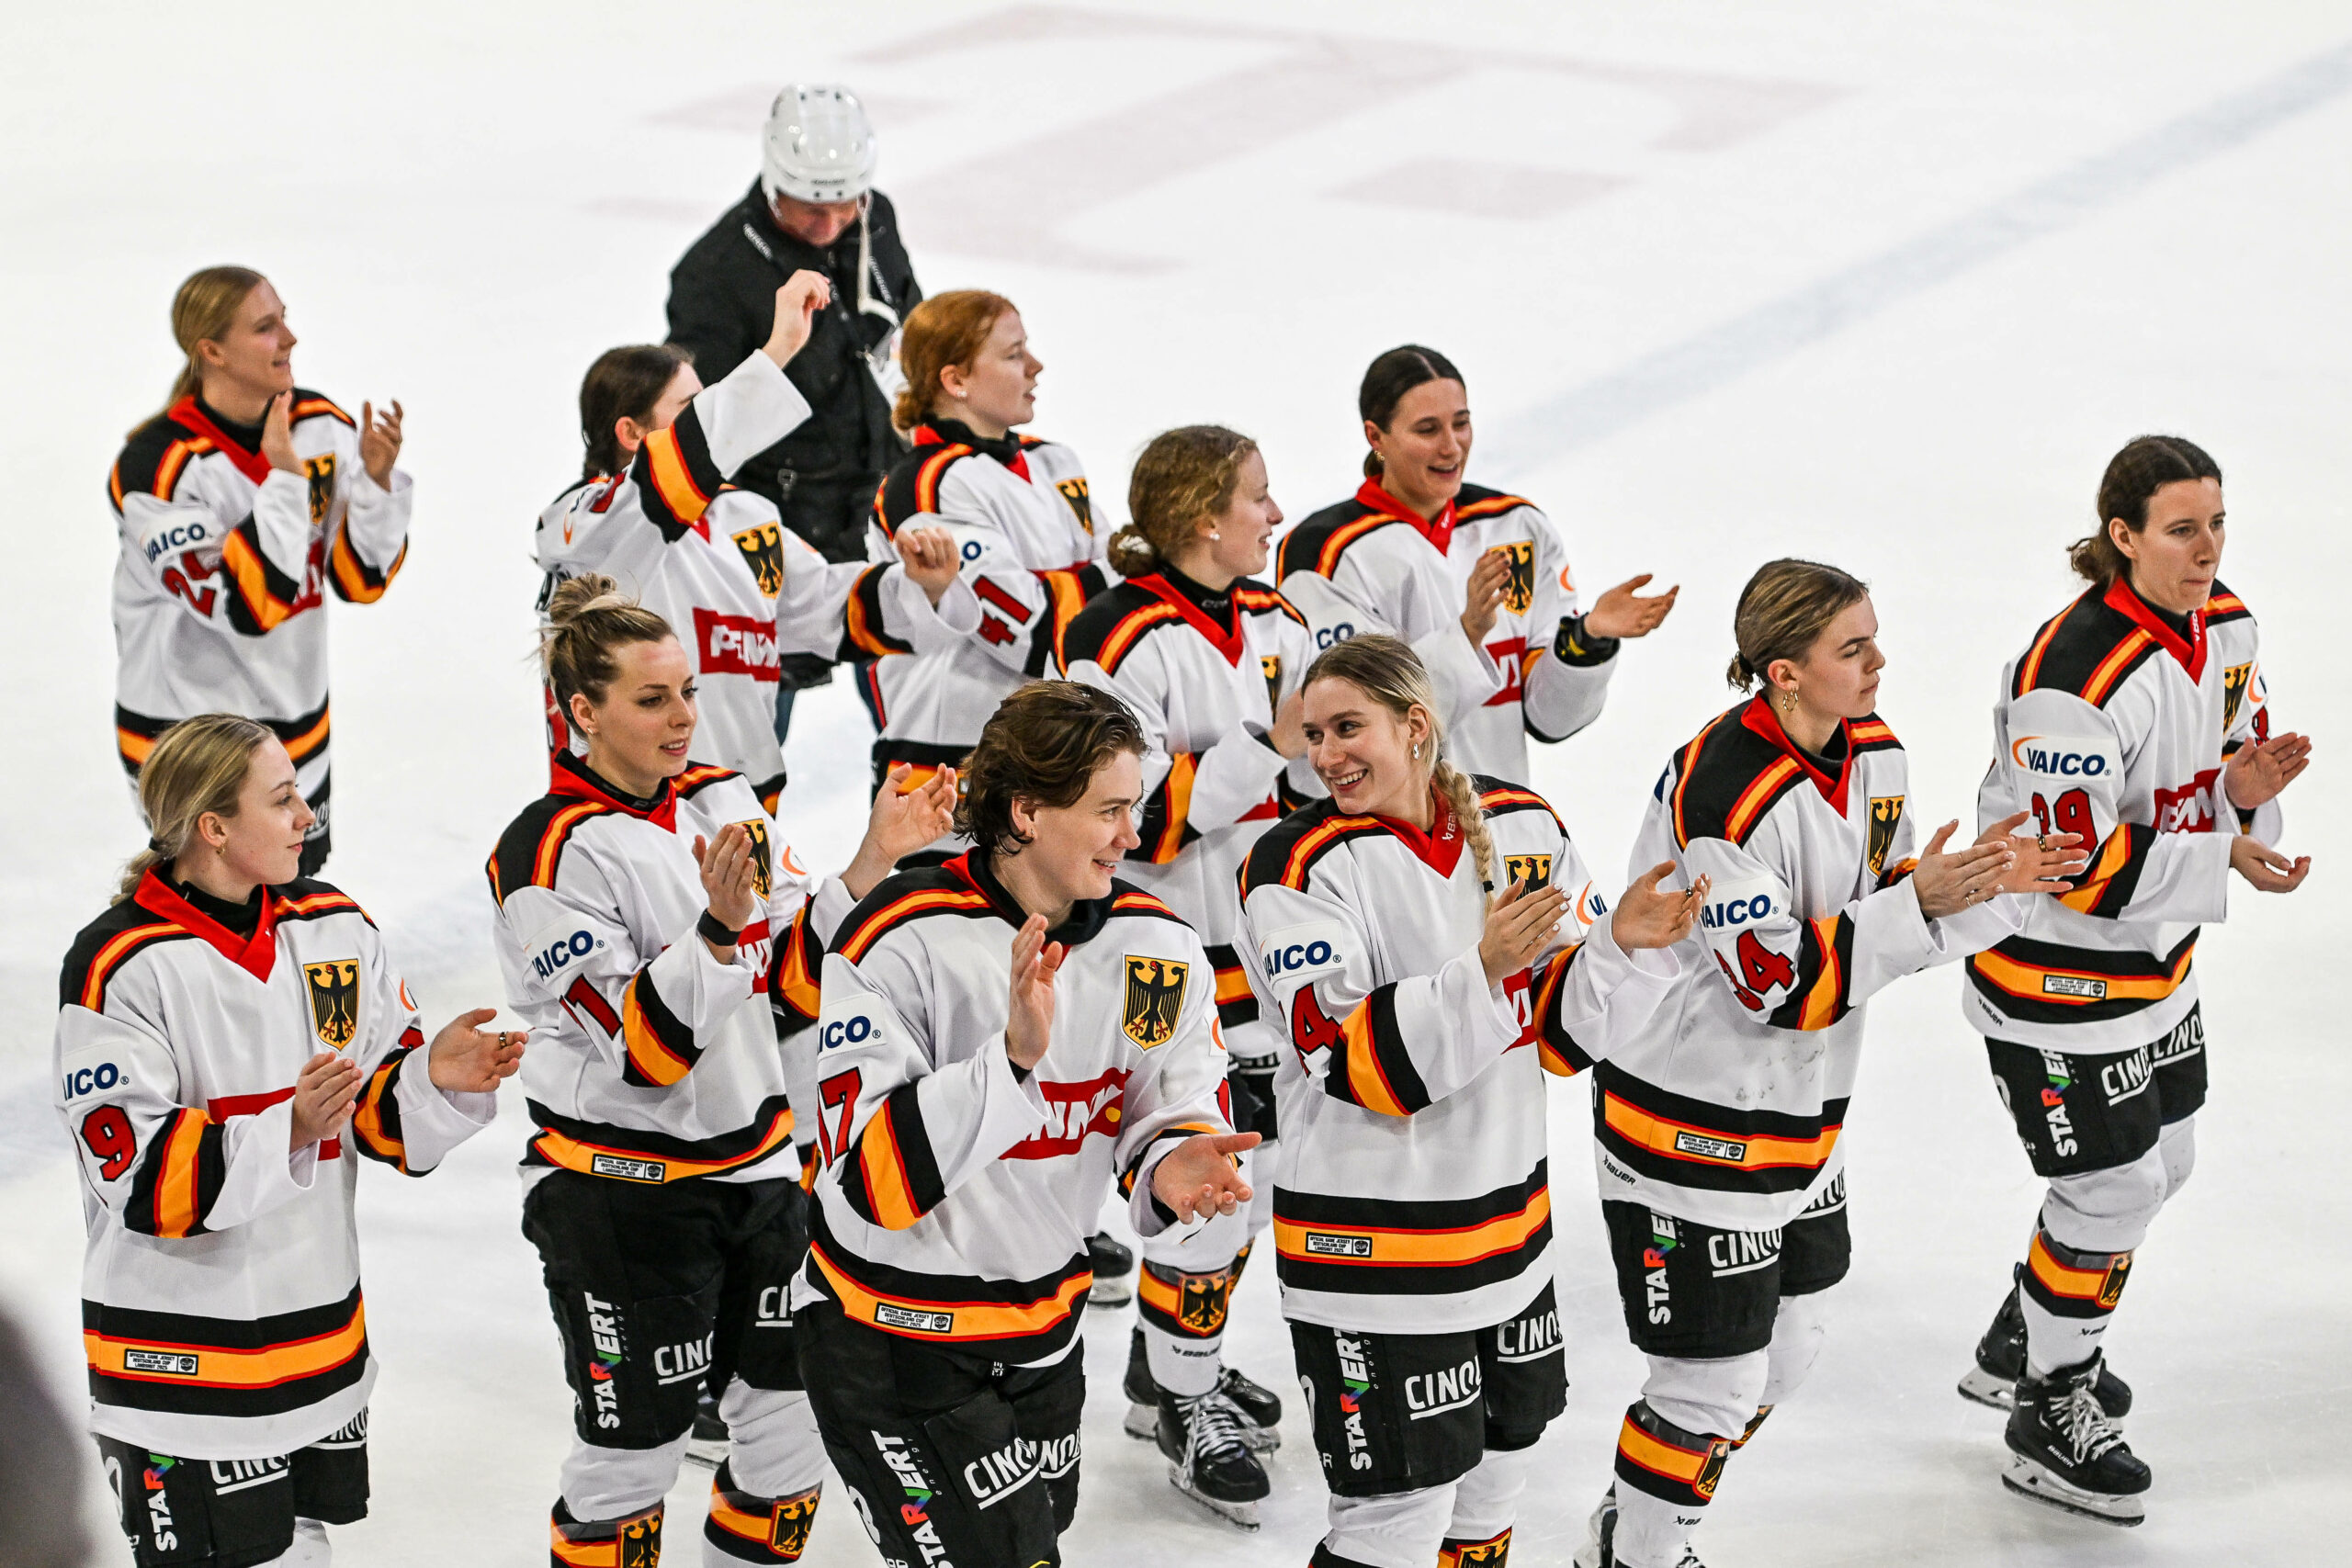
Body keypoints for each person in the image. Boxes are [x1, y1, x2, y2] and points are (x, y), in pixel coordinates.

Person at [1567, 560, 2086, 1568]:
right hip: (1687, 1118)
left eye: (1872, 638)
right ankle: (1637, 1553)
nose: (1879, 662)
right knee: (1706, 1386)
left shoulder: (1874, 754)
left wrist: (1982, 886)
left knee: (1788, 1350)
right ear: (1781, 673)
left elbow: (1885, 921)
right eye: (1852, 649)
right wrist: (1921, 903)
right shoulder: (1724, 795)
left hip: (1802, 1112)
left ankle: (1636, 1519)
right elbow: (1786, 986)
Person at [490, 577, 955, 1567]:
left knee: (790, 1440)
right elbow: (647, 1053)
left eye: (689, 692)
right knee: (633, 1459)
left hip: (758, 1175)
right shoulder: (543, 857)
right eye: (652, 699)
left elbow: (796, 979)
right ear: (583, 713)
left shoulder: (718, 794)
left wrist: (874, 857)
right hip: (621, 1199)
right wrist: (716, 929)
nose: (683, 717)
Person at [1238, 635, 1701, 1568]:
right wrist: (1483, 972)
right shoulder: (1291, 867)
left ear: (1415, 728)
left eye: (1348, 728)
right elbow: (1351, 1061)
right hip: (1368, 1248)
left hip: (1503, 1236)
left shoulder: (1523, 823)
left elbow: (1564, 1038)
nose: (1327, 755)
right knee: (1392, 1523)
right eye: (1316, 734)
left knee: (1492, 1489)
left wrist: (1625, 947)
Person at [793, 682, 1256, 1562]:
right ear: (1028, 811)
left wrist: (1172, 1159)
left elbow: (1169, 1099)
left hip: (1045, 1328)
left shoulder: (1159, 946)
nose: (1133, 835)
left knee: (1036, 1540)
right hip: (889, 1336)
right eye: (1112, 810)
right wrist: (1007, 1061)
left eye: (1137, 808)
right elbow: (869, 1180)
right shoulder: (895, 936)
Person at [57, 713, 522, 1566]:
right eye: (282, 799)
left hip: (316, 1344)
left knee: (303, 1551)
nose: (308, 816)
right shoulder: (121, 965)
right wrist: (292, 1125)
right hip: (183, 1371)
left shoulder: (336, 927)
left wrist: (433, 1080)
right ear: (214, 827)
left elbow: (375, 1109)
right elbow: (144, 1180)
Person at [1953, 436, 2310, 1526]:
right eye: (2179, 529)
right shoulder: (2071, 676)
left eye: (2215, 524)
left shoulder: (2228, 622)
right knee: (2114, 1191)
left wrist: (2245, 795)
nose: (2205, 550)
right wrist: (2227, 852)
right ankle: (2045, 1408)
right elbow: (2075, 867)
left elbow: (2223, 752)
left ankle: (2026, 1330)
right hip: (2052, 972)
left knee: (2170, 1156)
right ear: (2121, 537)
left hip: (2154, 964)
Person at [1058, 425, 1318, 1517]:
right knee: (1211, 1175)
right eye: (1257, 497)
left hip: (1272, 949)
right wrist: (1273, 741)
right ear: (1205, 513)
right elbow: (1137, 814)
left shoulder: (1279, 620)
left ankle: (1163, 1371)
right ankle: (1184, 1396)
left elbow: (1326, 772)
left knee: (1251, 1181)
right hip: (1162, 961)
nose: (1272, 514)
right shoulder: (1110, 636)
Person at [537, 339, 967, 811]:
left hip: (751, 801)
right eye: (694, 406)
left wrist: (920, 585)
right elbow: (659, 488)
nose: (712, 417)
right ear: (632, 432)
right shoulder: (593, 524)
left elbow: (827, 607)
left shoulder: (747, 516)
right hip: (631, 808)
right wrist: (780, 346)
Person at [107, 266, 413, 873]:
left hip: (295, 727)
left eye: (285, 319)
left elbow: (360, 580)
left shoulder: (320, 425)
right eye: (266, 327)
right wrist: (282, 479)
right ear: (212, 351)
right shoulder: (157, 468)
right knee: (212, 904)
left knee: (294, 889)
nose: (290, 339)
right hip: (187, 734)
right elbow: (246, 606)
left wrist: (375, 484)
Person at [1275, 344, 1677, 782]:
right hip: (1378, 832)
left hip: (1499, 820)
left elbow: (1551, 719)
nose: (1452, 447)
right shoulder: (1325, 552)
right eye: (1427, 429)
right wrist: (1468, 632)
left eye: (1461, 424)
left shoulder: (1517, 526)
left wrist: (1588, 639)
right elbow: (1348, 726)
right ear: (1376, 437)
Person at [666, 84, 923, 737]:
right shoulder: (713, 273)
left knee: (914, 709)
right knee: (749, 732)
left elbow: (910, 324)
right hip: (774, 528)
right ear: (774, 182)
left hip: (878, 506)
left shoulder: (877, 218)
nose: (830, 223)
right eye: (812, 208)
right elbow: (707, 419)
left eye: (845, 203)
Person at [863, 289, 1111, 816]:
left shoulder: (1055, 462)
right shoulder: (927, 484)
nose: (1036, 368)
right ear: (955, 381)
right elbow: (1033, 634)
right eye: (1014, 354)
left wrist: (1078, 583)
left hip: (1055, 751)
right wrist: (1102, 581)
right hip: (951, 770)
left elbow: (1131, 582)